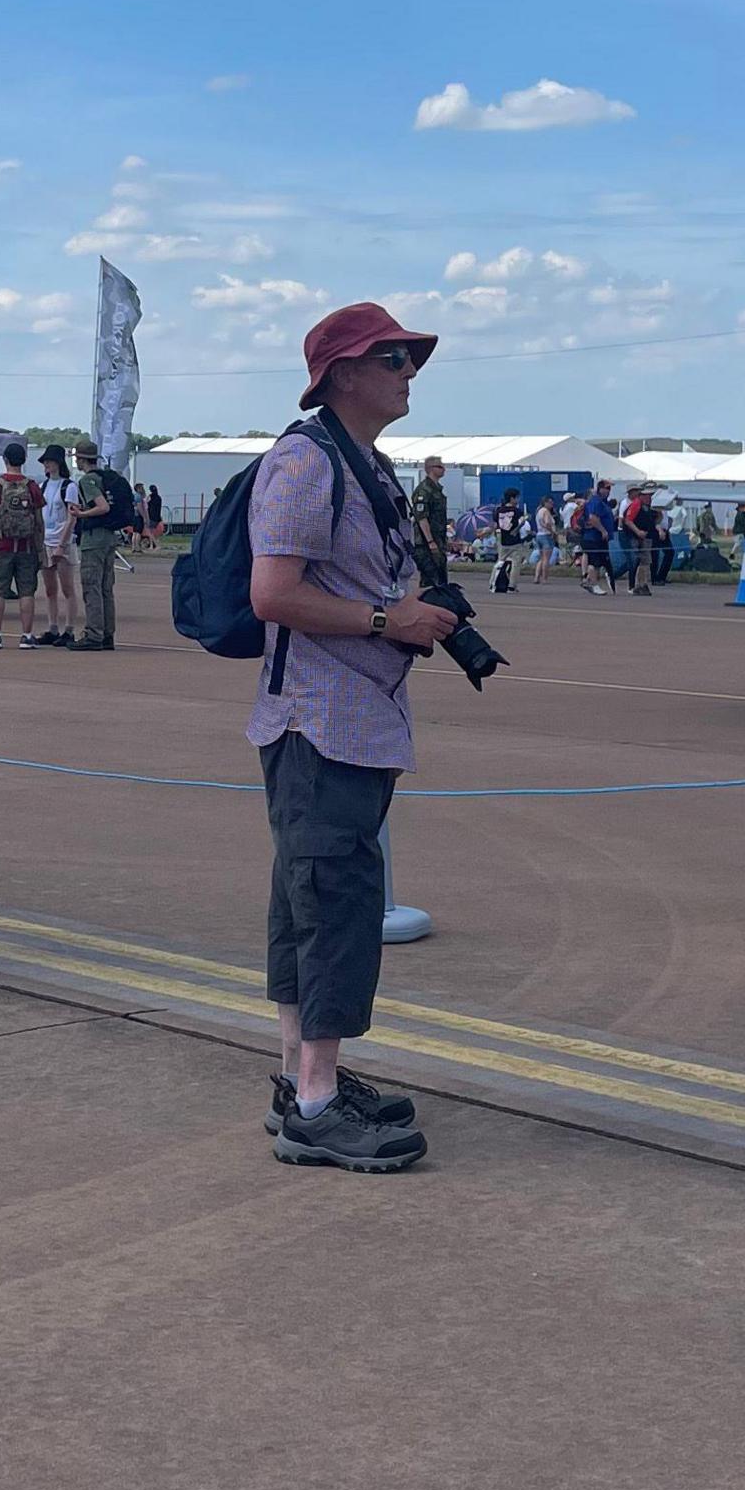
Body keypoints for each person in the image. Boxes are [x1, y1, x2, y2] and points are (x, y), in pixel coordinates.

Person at [247, 305, 449, 1172]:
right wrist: (384, 618)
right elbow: (273, 594)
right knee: (331, 903)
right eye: (393, 358)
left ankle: (305, 1078)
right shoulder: (304, 464)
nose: (409, 372)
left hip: (355, 718)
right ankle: (318, 1103)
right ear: (342, 374)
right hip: (319, 719)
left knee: (312, 896)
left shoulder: (362, 463)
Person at [0, 439, 45, 649]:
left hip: (1, 546)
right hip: (26, 547)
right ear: (23, 460)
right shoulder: (32, 485)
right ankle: (26, 635)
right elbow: (39, 521)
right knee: (26, 591)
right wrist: (40, 547)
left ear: (4, 459)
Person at [68, 446, 137, 650]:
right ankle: (107, 633)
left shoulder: (88, 481)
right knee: (106, 588)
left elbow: (102, 506)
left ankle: (94, 634)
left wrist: (81, 515)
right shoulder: (106, 477)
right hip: (109, 537)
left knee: (92, 587)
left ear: (81, 460)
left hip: (94, 539)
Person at [33, 444, 79, 647]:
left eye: (49, 461)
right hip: (46, 540)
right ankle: (52, 627)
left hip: (62, 541)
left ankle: (69, 629)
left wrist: (62, 543)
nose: (46, 464)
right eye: (45, 462)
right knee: (50, 589)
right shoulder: (42, 486)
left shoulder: (69, 486)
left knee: (67, 588)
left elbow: (72, 517)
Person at [410, 454, 454, 590]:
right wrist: (430, 541)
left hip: (438, 540)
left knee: (440, 579)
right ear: (430, 468)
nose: (443, 469)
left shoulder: (437, 490)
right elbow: (421, 517)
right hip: (426, 543)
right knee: (430, 581)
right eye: (440, 466)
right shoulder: (424, 490)